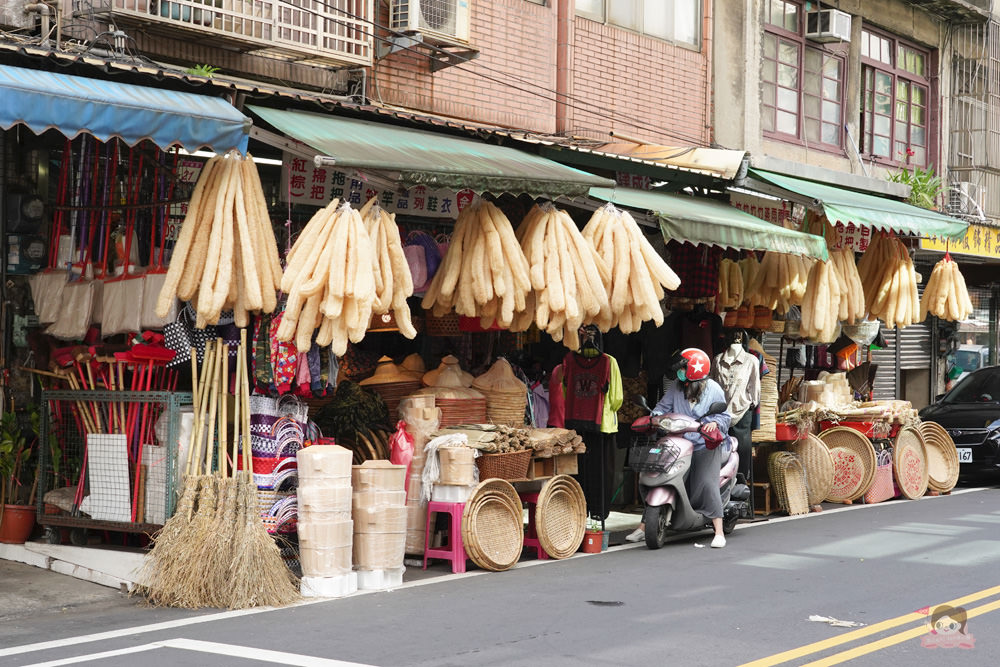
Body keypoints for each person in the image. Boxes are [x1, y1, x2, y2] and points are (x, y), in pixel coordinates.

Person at [625, 348, 733, 548]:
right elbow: (662, 408)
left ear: (694, 370)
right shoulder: (677, 386)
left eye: (683, 368)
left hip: (705, 444)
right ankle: (643, 526)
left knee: (706, 482)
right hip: (679, 442)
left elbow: (725, 416)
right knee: (658, 474)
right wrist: (653, 418)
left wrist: (715, 424)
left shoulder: (714, 389)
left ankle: (718, 531)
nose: (680, 372)